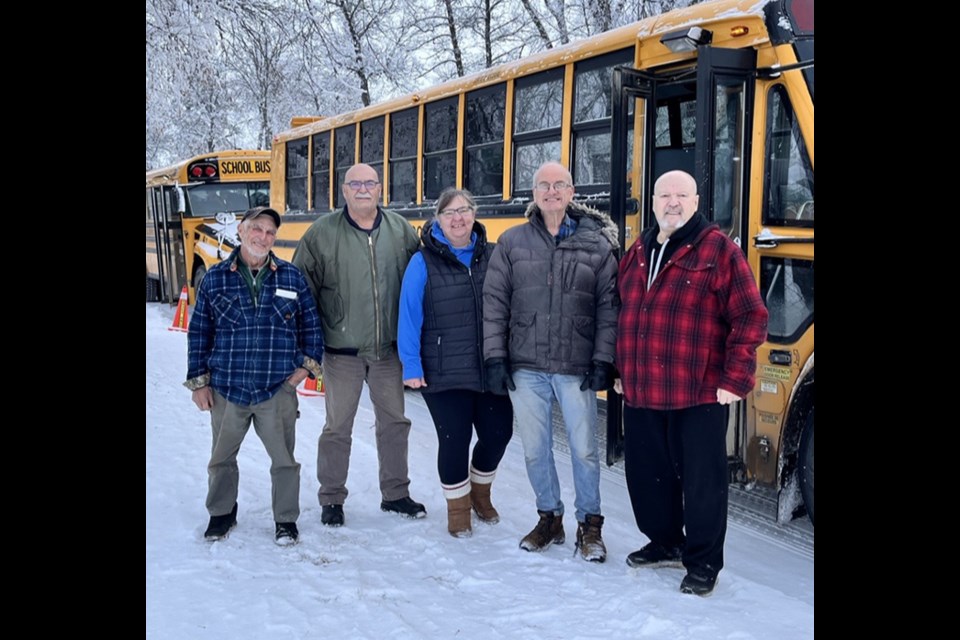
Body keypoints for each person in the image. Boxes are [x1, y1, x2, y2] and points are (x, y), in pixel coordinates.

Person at [616, 170, 768, 596]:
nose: (672, 202)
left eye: (681, 195)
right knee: (648, 476)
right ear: (653, 201)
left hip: (699, 389)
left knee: (702, 481)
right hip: (643, 387)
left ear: (697, 201)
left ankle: (702, 561)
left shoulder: (719, 251)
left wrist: (735, 378)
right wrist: (620, 370)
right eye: (664, 195)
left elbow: (750, 316)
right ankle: (665, 541)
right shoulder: (640, 250)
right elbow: (622, 309)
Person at [483, 162, 619, 562]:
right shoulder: (511, 242)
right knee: (534, 449)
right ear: (534, 193)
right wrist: (495, 356)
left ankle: (590, 525)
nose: (552, 191)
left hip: (576, 367)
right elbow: (495, 305)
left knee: (584, 450)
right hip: (526, 366)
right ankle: (550, 518)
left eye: (559, 185)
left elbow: (609, 308)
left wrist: (603, 359)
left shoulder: (597, 245)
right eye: (544, 185)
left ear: (573, 192)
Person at [292, 163, 425, 526]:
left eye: (370, 182)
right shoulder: (321, 234)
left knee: (395, 423)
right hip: (341, 353)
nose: (363, 189)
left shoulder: (400, 231)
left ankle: (396, 494)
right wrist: (308, 346)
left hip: (388, 352)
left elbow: (420, 284)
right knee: (338, 426)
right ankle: (331, 498)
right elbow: (301, 291)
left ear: (380, 188)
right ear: (344, 190)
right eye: (355, 183)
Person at [185, 206, 324, 545]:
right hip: (227, 389)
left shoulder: (291, 277)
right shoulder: (216, 278)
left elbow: (312, 327)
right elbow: (199, 332)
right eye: (257, 229)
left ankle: (285, 520)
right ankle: (221, 513)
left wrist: (305, 368)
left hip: (276, 388)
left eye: (270, 232)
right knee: (221, 459)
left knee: (284, 461)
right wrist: (199, 382)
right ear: (243, 231)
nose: (263, 237)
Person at [398, 188, 514, 538]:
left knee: (498, 433)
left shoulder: (494, 255)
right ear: (438, 219)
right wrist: (411, 366)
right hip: (443, 368)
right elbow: (408, 315)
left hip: (488, 365)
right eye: (449, 213)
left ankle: (480, 493)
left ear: (475, 214)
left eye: (464, 210)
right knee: (455, 439)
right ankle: (458, 510)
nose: (458, 218)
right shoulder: (423, 262)